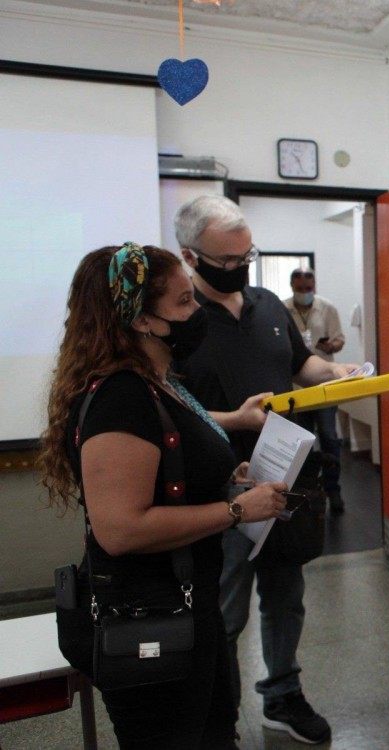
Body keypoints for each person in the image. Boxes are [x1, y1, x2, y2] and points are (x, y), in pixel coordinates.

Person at [39, 243, 287, 749]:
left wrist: (225, 475)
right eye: (183, 304)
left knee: (215, 731)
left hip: (190, 601)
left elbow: (173, 456)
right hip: (148, 616)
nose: (198, 312)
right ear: (143, 320)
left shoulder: (161, 383)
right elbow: (121, 529)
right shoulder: (120, 397)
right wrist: (236, 509)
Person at [173, 195, 357, 745]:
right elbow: (166, 406)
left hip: (286, 478)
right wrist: (234, 418)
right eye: (227, 261)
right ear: (189, 256)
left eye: (247, 255)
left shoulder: (268, 306)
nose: (240, 268)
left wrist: (338, 372)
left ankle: (282, 694)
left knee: (286, 596)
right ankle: (218, 713)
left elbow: (303, 365)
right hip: (220, 491)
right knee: (224, 611)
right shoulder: (177, 320)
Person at [284, 267, 346, 513]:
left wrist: (332, 345)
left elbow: (340, 339)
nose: (304, 293)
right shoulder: (281, 308)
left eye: (308, 288)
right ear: (292, 286)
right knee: (303, 441)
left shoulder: (327, 308)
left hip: (324, 386)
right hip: (295, 388)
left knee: (330, 438)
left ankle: (334, 490)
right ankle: (308, 489)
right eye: (300, 289)